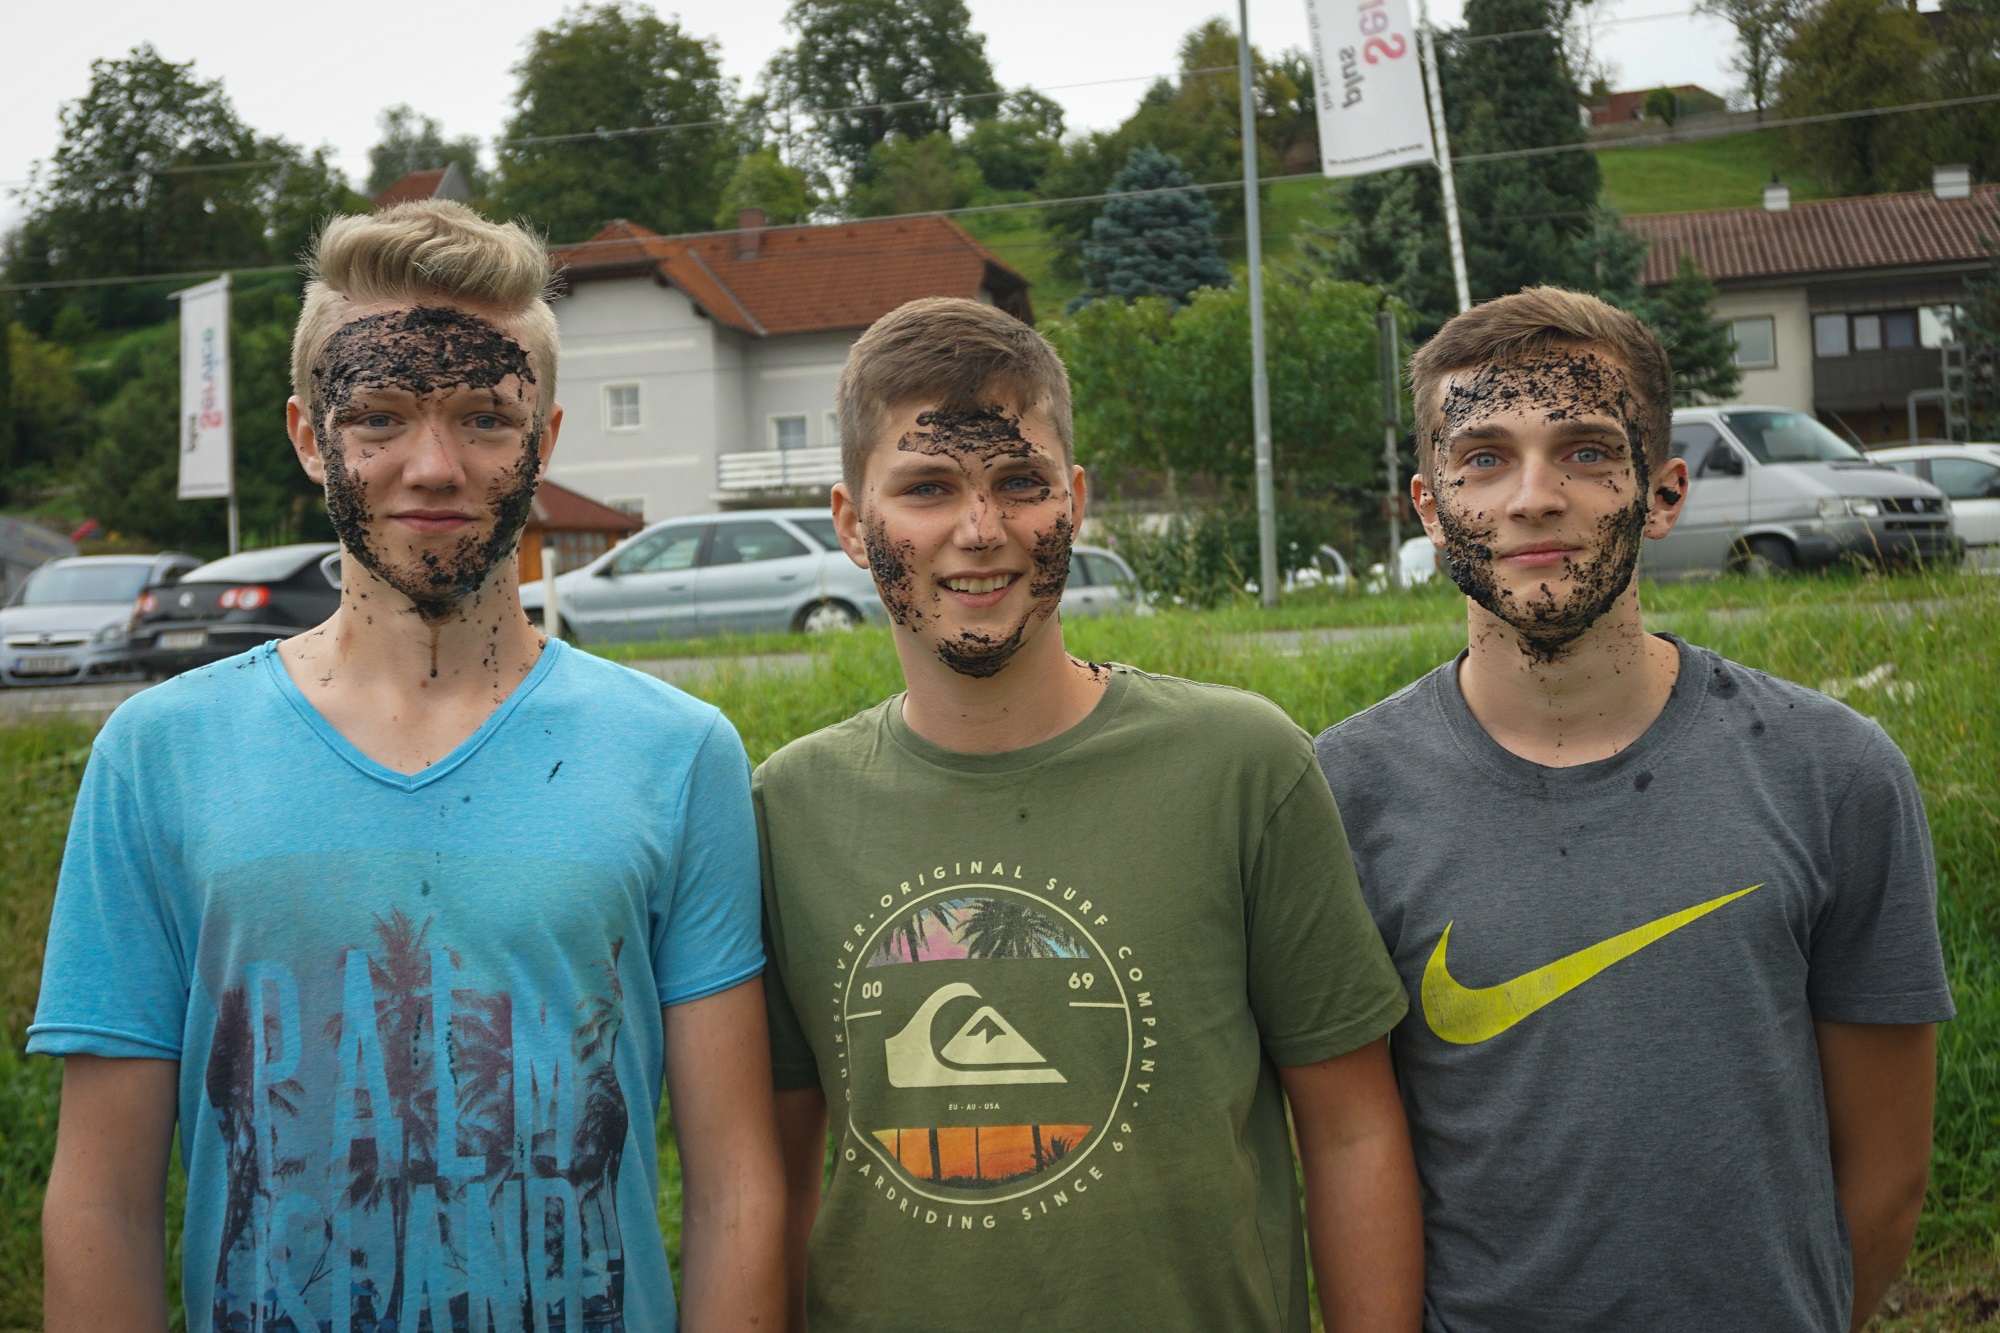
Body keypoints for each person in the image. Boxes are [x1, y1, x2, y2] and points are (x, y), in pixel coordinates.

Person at [32, 200, 784, 1333]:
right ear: (305, 434)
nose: (432, 467)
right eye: (378, 415)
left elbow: (736, 1191)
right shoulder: (158, 755)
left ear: (546, 438)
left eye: (485, 417)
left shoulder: (677, 755)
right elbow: (100, 1203)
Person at [754, 296, 1421, 1333]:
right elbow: (779, 1179)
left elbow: (1350, 1133)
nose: (979, 531)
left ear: (1075, 501)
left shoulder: (1241, 765)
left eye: (1019, 483)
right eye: (926, 487)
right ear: (850, 522)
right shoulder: (785, 808)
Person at [1316, 286, 1952, 1333]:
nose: (1532, 497)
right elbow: (1348, 1157)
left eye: (1582, 452)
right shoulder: (1341, 794)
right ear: (1429, 510)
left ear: (1661, 494)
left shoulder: (1831, 771)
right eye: (1482, 458)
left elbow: (1884, 1175)